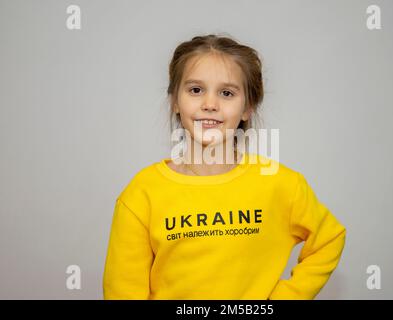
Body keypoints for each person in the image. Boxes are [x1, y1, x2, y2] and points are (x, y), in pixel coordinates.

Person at [102, 34, 346, 300]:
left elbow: (329, 239)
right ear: (174, 100)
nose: (210, 104)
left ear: (247, 107)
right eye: (195, 90)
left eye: (227, 93)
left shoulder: (280, 184)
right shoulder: (142, 193)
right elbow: (123, 292)